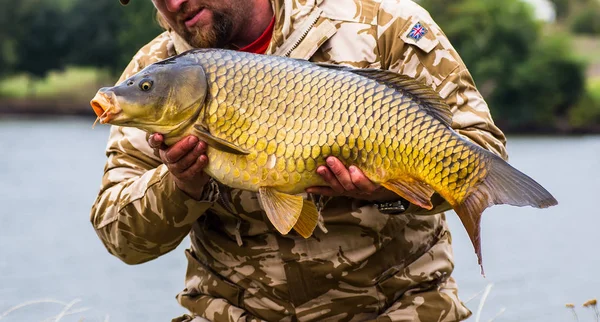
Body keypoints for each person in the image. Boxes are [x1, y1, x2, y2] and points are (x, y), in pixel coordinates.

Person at [90, 0, 508, 320]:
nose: (174, 4)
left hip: (397, 307)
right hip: (234, 312)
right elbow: (121, 238)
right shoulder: (154, 78)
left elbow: (483, 151)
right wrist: (180, 184)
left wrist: (384, 190)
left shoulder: (381, 24)